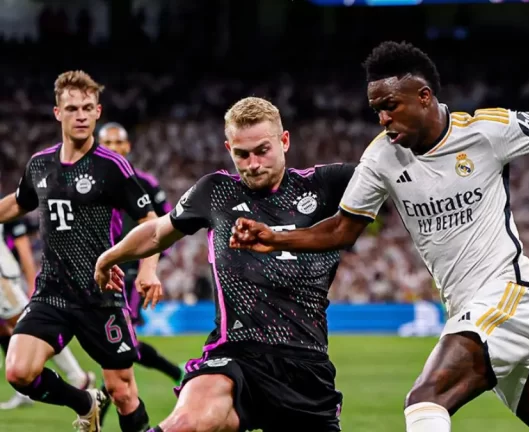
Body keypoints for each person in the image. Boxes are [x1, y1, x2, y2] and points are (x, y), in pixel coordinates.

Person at [230, 41, 529, 432]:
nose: (383, 118)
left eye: (391, 106)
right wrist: (275, 239)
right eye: (376, 110)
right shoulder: (382, 158)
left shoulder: (486, 131)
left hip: (510, 296)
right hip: (469, 309)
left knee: (425, 401)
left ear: (424, 97)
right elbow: (344, 229)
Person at [94, 97, 355, 432]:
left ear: (284, 141)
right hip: (235, 353)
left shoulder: (324, 185)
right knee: (188, 421)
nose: (253, 164)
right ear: (229, 148)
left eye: (263, 150)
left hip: (305, 365)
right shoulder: (215, 191)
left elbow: (389, 173)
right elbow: (158, 232)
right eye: (242, 154)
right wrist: (108, 258)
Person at [0, 70, 161, 432]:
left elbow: (151, 222)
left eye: (88, 107)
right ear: (58, 113)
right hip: (52, 292)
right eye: (72, 108)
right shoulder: (40, 164)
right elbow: (18, 202)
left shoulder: (112, 167)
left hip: (100, 295)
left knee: (122, 392)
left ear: (98, 111)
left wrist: (149, 270)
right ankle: (84, 402)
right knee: (18, 371)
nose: (82, 115)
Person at [97, 122, 183, 425]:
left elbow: (166, 223)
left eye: (118, 141)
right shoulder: (88, 183)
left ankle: (96, 407)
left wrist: (152, 265)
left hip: (131, 274)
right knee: (121, 345)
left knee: (122, 342)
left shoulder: (145, 182)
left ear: (127, 147)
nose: (112, 146)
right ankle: (177, 372)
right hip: (99, 273)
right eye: (106, 141)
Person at [0, 217, 96, 410]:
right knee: (4, 331)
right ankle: (23, 389)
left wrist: (31, 280)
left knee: (31, 329)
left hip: (3, 282)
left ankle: (79, 378)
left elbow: (23, 246)